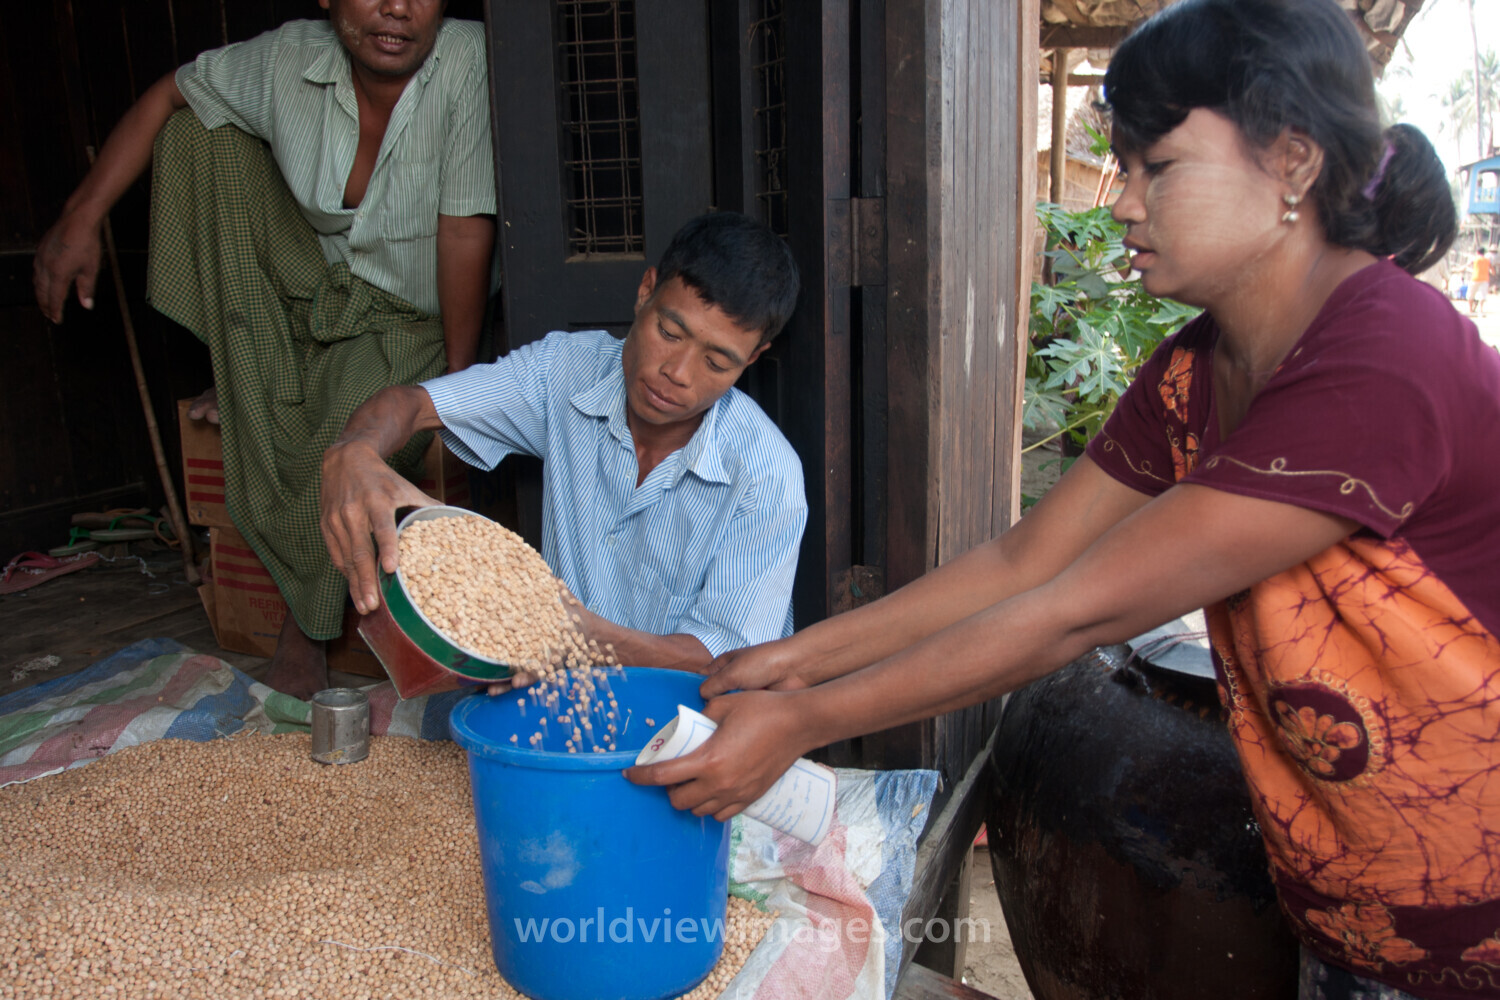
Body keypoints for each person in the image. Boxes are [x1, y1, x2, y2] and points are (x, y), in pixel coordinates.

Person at [629, 3, 1500, 998]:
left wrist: (798, 719)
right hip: (1352, 914)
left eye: (1156, 168)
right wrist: (780, 664)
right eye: (1122, 167)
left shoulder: (1383, 357)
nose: (1122, 202)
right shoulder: (1195, 372)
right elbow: (1020, 562)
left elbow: (1072, 608)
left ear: (1293, 163)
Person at [32, 0, 497, 699]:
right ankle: (245, 360)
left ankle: (305, 627)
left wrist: (456, 389)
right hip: (312, 285)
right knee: (196, 133)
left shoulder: (468, 62)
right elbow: (167, 92)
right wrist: (80, 217)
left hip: (409, 315)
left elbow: (465, 232)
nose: (396, 7)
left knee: (346, 437)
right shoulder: (288, 59)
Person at [321, 211, 806, 676]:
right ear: (645, 293)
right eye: (669, 332)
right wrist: (355, 451)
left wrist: (578, 636)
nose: (676, 373)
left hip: (693, 723)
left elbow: (725, 661)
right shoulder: (564, 371)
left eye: (717, 363)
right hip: (558, 692)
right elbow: (413, 404)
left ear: (753, 359)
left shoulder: (766, 475)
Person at [1473, 248, 1492, 317]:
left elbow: (1467, 265)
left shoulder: (1475, 259)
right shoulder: (1487, 260)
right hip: (1485, 279)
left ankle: (1470, 310)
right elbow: (1491, 269)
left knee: (1471, 294)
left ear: (1477, 252)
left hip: (1475, 278)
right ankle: (1481, 310)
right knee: (1482, 295)